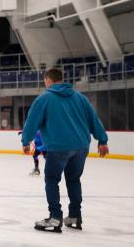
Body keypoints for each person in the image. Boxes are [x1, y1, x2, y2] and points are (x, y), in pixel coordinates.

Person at [21, 67, 108, 233]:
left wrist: (26, 141)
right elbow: (93, 119)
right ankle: (75, 216)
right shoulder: (80, 98)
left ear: (48, 80)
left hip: (58, 147)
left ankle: (55, 217)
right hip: (81, 147)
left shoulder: (44, 98)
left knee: (52, 180)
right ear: (61, 79)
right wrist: (102, 140)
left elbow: (32, 121)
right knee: (74, 180)